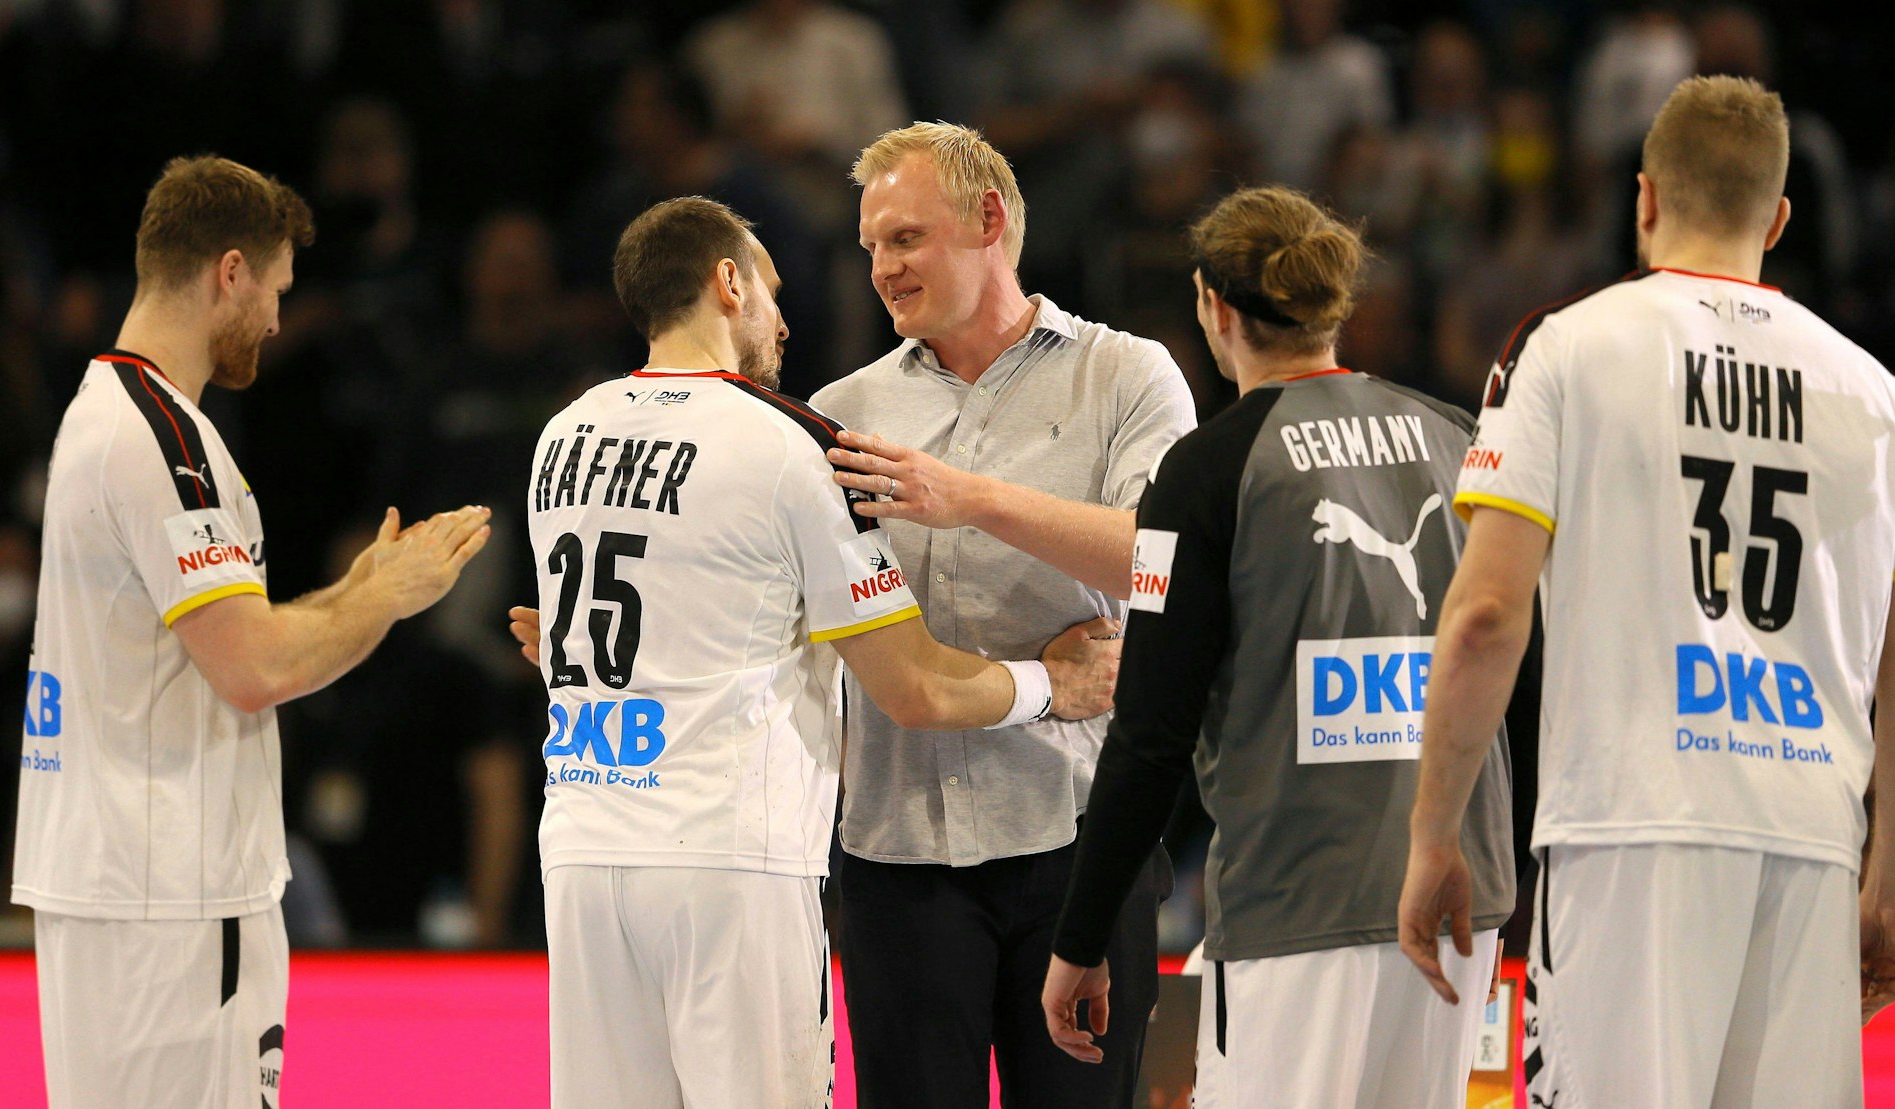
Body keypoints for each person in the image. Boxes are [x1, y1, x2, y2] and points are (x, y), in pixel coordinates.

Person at [1399, 75, 1895, 1108]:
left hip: (1629, 825)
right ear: (1777, 219)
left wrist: (1434, 832)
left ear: (1644, 198)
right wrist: (1893, 887)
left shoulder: (1565, 347)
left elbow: (1482, 617)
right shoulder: (1877, 395)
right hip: (1809, 838)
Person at [507, 196, 1122, 1109]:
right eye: (772, 291)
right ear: (728, 283)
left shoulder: (565, 434)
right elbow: (913, 686)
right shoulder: (788, 439)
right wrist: (1055, 684)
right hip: (729, 858)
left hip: (583, 846)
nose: (785, 321)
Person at [11, 155, 493, 1109]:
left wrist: (356, 587)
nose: (277, 319)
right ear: (229, 272)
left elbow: (220, 636)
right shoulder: (163, 439)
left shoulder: (106, 412)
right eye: (276, 288)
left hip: (118, 883)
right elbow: (253, 666)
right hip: (173, 896)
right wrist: (389, 599)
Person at [1040, 185, 1514, 1106]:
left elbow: (1151, 732)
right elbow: (1507, 657)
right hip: (1464, 896)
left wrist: (1081, 935)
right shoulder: (1453, 435)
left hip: (1298, 905)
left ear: (1213, 306)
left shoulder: (1204, 472)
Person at [810, 122, 1197, 1107]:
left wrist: (971, 499)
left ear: (989, 220)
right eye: (871, 246)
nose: (882, 268)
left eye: (905, 238)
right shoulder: (840, 411)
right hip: (898, 852)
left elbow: (1167, 561)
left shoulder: (1126, 374)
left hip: (1082, 842)